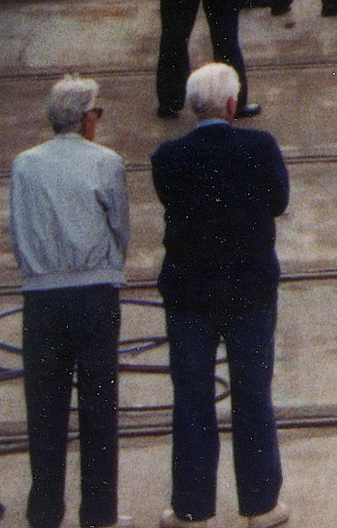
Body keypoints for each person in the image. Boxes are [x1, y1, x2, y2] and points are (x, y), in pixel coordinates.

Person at [152, 60, 289, 528]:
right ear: (232, 104)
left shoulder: (167, 157)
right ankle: (261, 507)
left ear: (193, 107)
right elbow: (279, 201)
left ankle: (192, 509)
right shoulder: (261, 145)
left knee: (191, 397)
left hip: (189, 295)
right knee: (253, 395)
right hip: (250, 291)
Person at [12, 76, 126, 528]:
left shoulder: (24, 165)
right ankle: (98, 514)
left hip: (42, 298)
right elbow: (119, 225)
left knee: (44, 409)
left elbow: (19, 231)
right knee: (99, 409)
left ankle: (44, 512)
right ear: (85, 118)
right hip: (94, 295)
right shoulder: (107, 162)